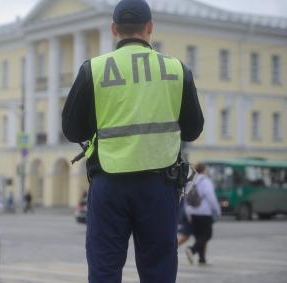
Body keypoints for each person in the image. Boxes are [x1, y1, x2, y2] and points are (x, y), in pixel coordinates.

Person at [62, 0, 204, 282]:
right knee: (158, 270)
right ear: (150, 28)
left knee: (104, 268)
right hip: (159, 184)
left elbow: (71, 129)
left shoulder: (94, 69)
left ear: (114, 29)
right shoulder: (178, 70)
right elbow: (193, 130)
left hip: (109, 183)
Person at [185, 163, 221, 265]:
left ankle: (202, 259)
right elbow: (211, 198)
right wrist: (217, 210)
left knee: (199, 236)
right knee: (206, 235)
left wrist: (188, 213)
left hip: (192, 212)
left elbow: (186, 196)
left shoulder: (192, 180)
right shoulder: (206, 181)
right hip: (205, 212)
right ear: (204, 170)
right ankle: (191, 250)